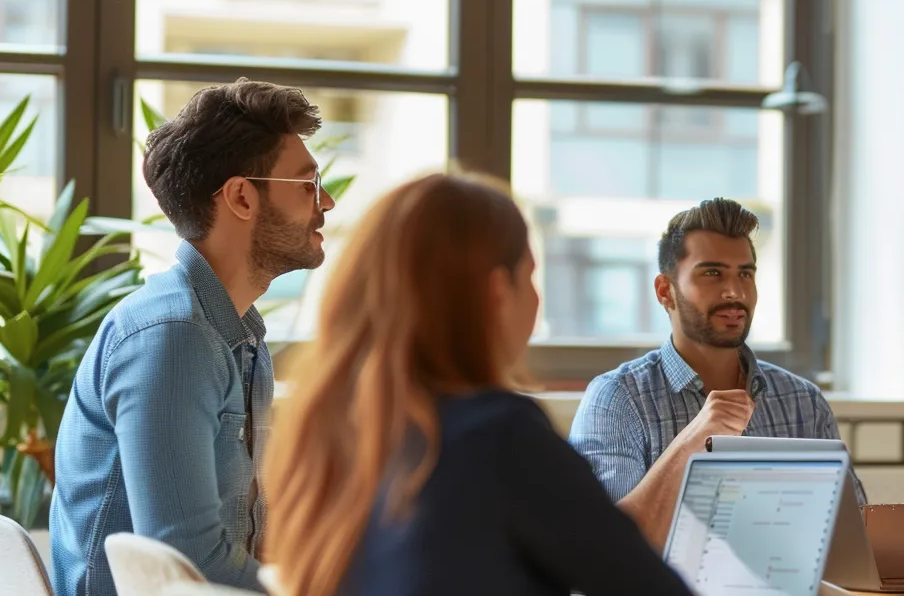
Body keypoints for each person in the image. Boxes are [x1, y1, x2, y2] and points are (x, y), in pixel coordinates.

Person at [261, 173, 691, 596]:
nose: (537, 300)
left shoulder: (327, 433)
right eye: (530, 276)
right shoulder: (501, 435)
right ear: (498, 291)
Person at [49, 80, 333, 596]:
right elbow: (189, 571)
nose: (327, 202)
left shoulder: (238, 335)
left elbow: (245, 540)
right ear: (242, 197)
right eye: (307, 185)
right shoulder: (174, 339)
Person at [570, 198, 843, 545]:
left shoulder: (804, 402)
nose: (735, 292)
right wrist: (691, 444)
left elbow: (846, 540)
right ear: (665, 291)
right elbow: (604, 552)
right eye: (712, 273)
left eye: (745, 273)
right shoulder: (616, 400)